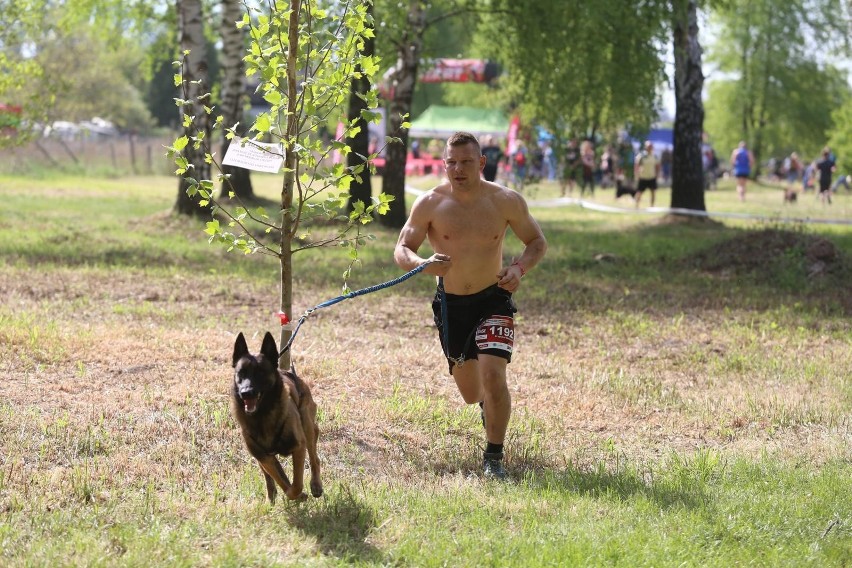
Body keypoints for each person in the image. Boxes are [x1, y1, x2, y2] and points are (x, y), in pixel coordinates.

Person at [393, 131, 548, 480]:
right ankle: (485, 407)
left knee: (494, 375)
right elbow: (402, 249)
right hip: (450, 304)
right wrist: (422, 263)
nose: (458, 169)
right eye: (451, 162)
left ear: (481, 163)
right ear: (444, 164)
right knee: (470, 391)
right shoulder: (430, 202)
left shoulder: (505, 200)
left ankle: (494, 458)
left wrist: (519, 268)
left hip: (493, 297)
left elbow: (537, 241)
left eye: (466, 162)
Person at [634, 140, 661, 208]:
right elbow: (637, 165)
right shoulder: (641, 156)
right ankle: (637, 205)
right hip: (643, 177)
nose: (650, 148)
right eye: (648, 146)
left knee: (653, 192)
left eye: (651, 146)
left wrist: (657, 174)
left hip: (652, 176)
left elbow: (657, 166)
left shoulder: (655, 156)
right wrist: (637, 174)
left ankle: (652, 206)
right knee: (639, 192)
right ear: (646, 147)